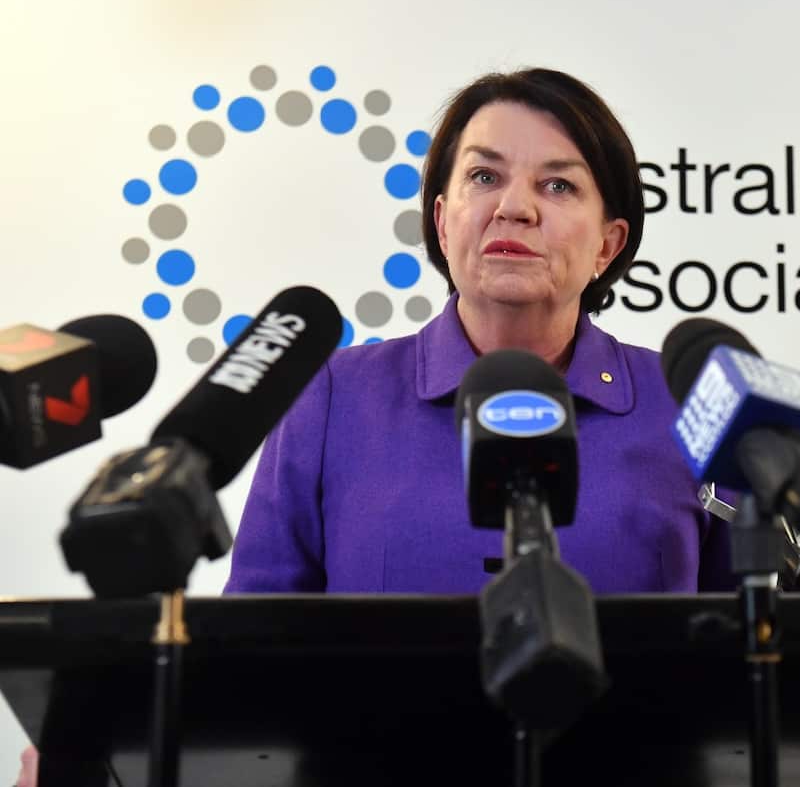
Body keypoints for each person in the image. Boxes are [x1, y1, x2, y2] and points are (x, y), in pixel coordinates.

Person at [223, 68, 735, 594]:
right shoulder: (332, 397)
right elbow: (251, 640)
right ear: (443, 222)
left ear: (608, 244)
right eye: (485, 178)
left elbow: (764, 641)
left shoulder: (690, 405)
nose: (515, 208)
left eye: (558, 185)